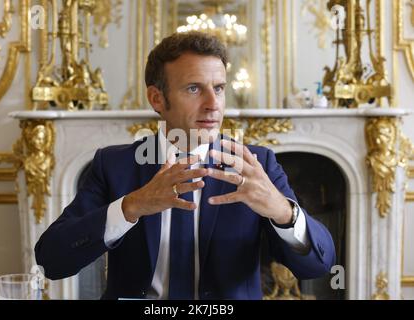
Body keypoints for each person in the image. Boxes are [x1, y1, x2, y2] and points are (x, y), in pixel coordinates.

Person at [35, 32, 336, 300]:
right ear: (157, 98)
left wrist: (283, 211)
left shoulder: (256, 165)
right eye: (194, 88)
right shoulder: (114, 165)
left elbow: (318, 266)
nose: (213, 104)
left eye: (218, 88)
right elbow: (52, 260)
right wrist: (130, 206)